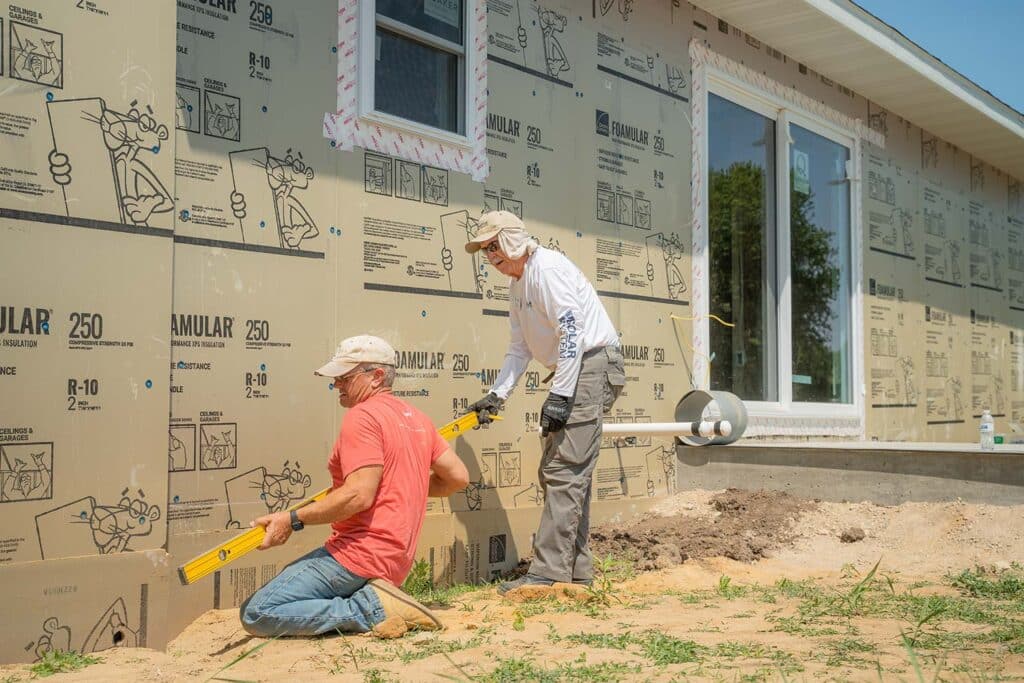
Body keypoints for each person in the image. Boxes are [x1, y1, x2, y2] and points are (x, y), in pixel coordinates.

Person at [239, 334, 470, 637]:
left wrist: (292, 519)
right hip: (395, 562)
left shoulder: (362, 417)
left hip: (358, 556)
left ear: (376, 376)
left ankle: (370, 608)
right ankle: (376, 600)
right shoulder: (417, 418)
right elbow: (458, 478)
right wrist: (401, 485)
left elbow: (358, 495)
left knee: (258, 612)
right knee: (289, 586)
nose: (337, 384)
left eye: (344, 377)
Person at [464, 211, 625, 593]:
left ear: (515, 240)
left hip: (589, 364)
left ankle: (547, 574)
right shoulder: (518, 284)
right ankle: (575, 573)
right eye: (485, 250)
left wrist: (560, 394)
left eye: (494, 245)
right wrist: (497, 394)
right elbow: (519, 349)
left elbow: (572, 332)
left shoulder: (547, 269)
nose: (490, 256)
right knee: (568, 473)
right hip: (578, 368)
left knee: (565, 470)